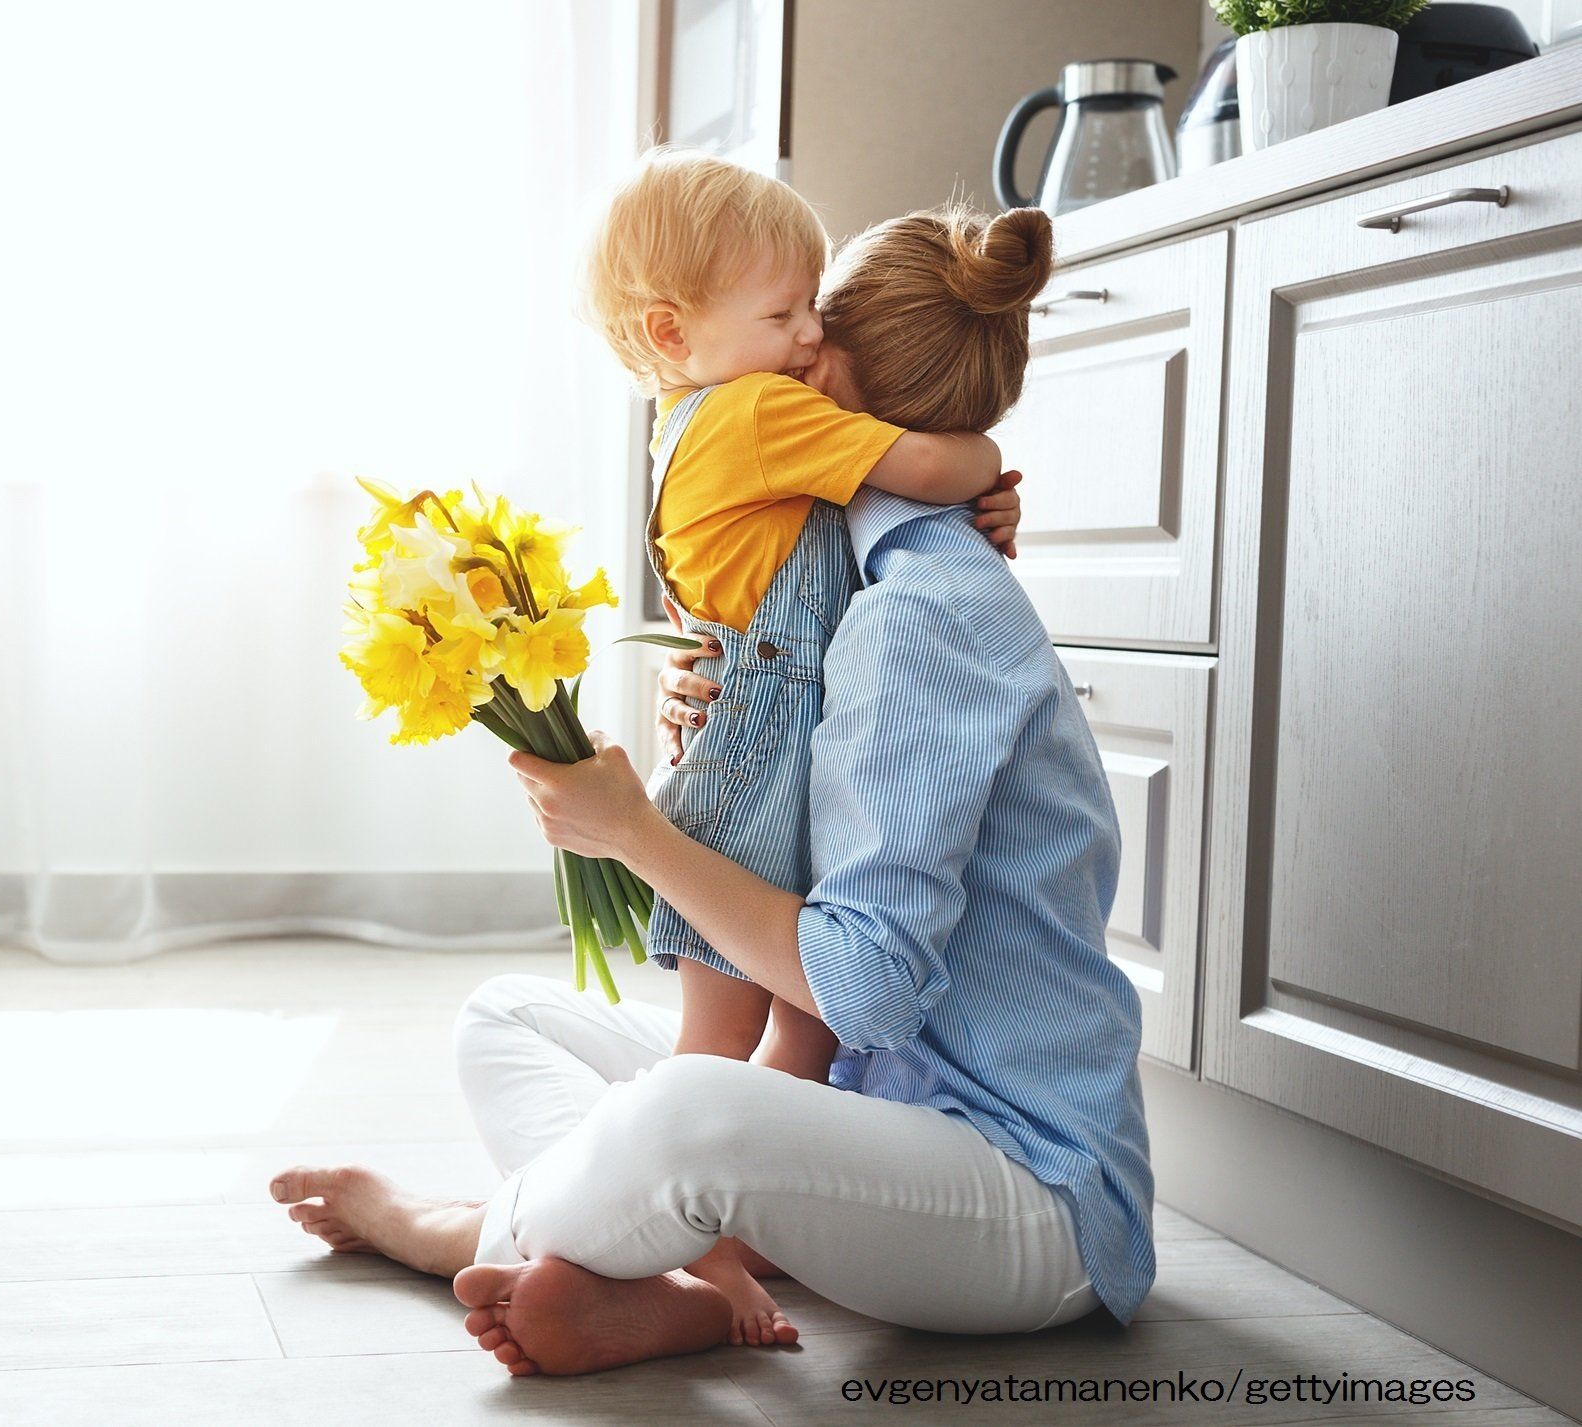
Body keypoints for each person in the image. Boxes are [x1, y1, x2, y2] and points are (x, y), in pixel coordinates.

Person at [269, 202, 1152, 1378]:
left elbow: (866, 990)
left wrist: (634, 832)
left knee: (685, 1107)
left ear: (822, 383)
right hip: (870, 1115)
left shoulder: (921, 616)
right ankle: (668, 1275)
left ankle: (442, 1230)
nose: (778, 348)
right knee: (510, 1016)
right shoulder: (850, 578)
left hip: (1020, 1191)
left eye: (802, 320)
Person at [574, 147, 1026, 1341]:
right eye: (782, 313)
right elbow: (926, 459)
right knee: (748, 1035)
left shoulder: (686, 420)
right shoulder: (759, 408)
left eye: (815, 306)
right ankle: (677, 1241)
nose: (806, 333)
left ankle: (697, 1238)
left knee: (770, 1030)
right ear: (673, 332)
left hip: (750, 736)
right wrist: (985, 459)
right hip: (761, 750)